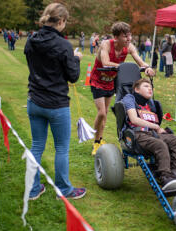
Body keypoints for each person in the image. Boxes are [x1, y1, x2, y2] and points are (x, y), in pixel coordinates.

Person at [24, 3, 86, 200]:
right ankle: (63, 190)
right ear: (60, 21)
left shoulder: (32, 40)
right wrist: (75, 59)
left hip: (35, 100)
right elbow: (73, 76)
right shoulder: (63, 45)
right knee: (61, 148)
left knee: (37, 146)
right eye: (64, 23)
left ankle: (33, 189)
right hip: (55, 104)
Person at [89, 22, 154, 155]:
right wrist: (123, 66)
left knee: (106, 112)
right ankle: (95, 142)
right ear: (116, 37)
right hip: (98, 81)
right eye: (125, 36)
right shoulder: (106, 45)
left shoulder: (129, 47)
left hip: (111, 82)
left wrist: (147, 67)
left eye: (129, 35)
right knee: (101, 112)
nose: (129, 39)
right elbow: (106, 62)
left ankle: (100, 138)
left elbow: (139, 61)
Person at [122, 78, 176, 190]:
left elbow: (155, 123)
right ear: (136, 89)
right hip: (137, 134)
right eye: (146, 86)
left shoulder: (150, 104)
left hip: (152, 133)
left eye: (151, 87)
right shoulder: (129, 99)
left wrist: (158, 129)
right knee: (160, 144)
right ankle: (164, 176)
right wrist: (155, 127)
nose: (150, 88)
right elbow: (134, 119)